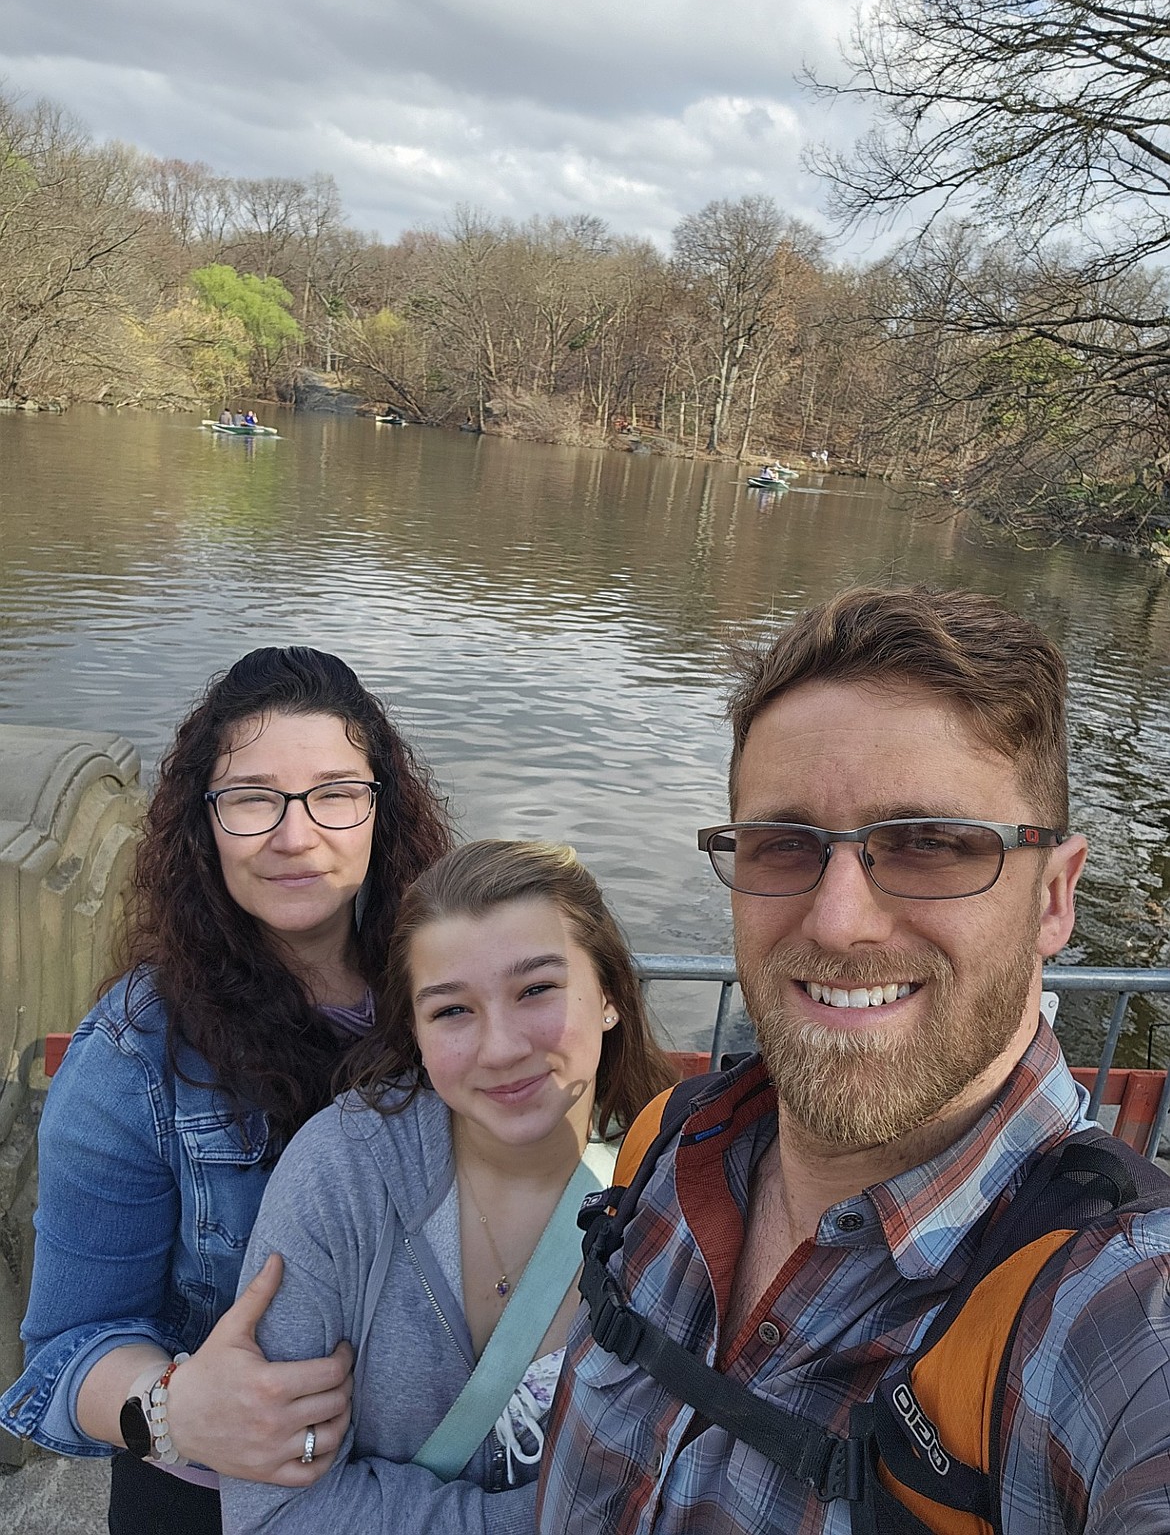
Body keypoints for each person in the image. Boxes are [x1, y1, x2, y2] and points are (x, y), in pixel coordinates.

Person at [537, 585, 1170, 1533]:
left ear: (1053, 897)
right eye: (785, 845)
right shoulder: (671, 1148)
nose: (837, 921)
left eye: (931, 845)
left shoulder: (1109, 1315)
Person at [0, 647, 451, 1534]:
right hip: (209, 1504)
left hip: (429, 1480)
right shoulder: (135, 1058)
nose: (295, 834)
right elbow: (65, 1352)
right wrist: (177, 1409)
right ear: (203, 824)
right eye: (252, 798)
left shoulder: (453, 990)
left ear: (379, 809)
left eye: (334, 793)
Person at [219, 839, 679, 1535]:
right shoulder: (344, 1176)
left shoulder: (680, 1199)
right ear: (417, 1031)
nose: (500, 1047)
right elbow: (270, 1513)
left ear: (610, 994)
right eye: (452, 1011)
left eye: (535, 990)